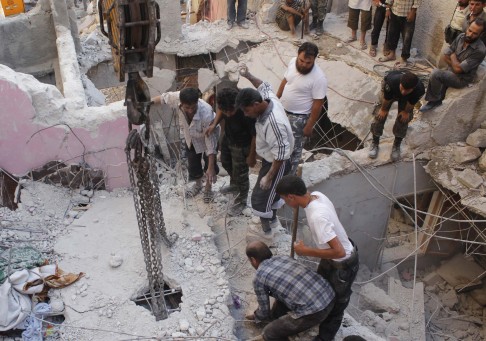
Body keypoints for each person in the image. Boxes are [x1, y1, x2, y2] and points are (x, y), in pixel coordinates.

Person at [276, 175, 359, 341]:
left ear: (292, 196)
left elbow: (339, 252)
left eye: (284, 199)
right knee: (320, 290)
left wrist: (305, 251)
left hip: (343, 266)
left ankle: (324, 337)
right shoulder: (318, 196)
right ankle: (315, 318)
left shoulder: (317, 217)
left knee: (336, 305)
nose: (285, 203)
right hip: (333, 260)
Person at [236, 67, 294, 235]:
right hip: (271, 159)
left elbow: (281, 154)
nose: (246, 115)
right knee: (271, 195)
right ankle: (273, 221)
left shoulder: (274, 123)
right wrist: (248, 75)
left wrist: (269, 177)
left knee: (260, 198)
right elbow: (263, 85)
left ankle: (266, 233)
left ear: (255, 105)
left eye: (247, 111)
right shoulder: (268, 98)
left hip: (278, 163)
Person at [245, 241, 336, 341]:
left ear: (253, 260)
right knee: (280, 301)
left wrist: (256, 316)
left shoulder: (259, 277)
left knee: (269, 332)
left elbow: (264, 312)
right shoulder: (284, 258)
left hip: (315, 311)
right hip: (330, 295)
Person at [153, 88, 219, 202]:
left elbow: (210, 144)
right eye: (186, 108)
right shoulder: (176, 97)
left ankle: (208, 188)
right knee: (193, 162)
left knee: (209, 164)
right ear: (181, 102)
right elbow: (163, 98)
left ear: (197, 102)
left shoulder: (206, 113)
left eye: (193, 107)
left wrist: (211, 166)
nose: (190, 110)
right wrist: (145, 103)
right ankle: (198, 184)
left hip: (209, 135)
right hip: (191, 135)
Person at [276, 42, 327, 175]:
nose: (303, 64)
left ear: (314, 60)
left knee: (294, 150)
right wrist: (275, 99)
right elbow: (285, 80)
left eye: (308, 62)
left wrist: (309, 125)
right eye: (302, 60)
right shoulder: (293, 62)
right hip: (283, 112)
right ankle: (277, 171)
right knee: (280, 144)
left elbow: (318, 103)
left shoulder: (319, 78)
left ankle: (289, 178)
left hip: (299, 118)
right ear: (297, 55)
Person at [206, 87, 257, 216]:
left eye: (231, 111)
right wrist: (214, 124)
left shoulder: (247, 112)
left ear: (237, 105)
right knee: (225, 163)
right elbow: (221, 111)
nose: (228, 114)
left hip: (242, 144)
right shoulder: (225, 105)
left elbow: (255, 135)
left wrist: (252, 155)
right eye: (225, 111)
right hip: (228, 138)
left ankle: (241, 202)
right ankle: (234, 185)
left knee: (241, 174)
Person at [420, 19, 486, 112]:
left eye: (475, 33)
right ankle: (439, 97)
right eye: (470, 30)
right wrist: (455, 64)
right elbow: (445, 55)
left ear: (481, 34)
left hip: (462, 79)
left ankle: (434, 101)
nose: (470, 35)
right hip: (450, 70)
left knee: (436, 73)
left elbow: (459, 70)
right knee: (439, 76)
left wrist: (453, 57)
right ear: (467, 27)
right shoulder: (461, 37)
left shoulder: (480, 50)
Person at [368, 71, 425, 161]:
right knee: (379, 115)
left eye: (407, 90)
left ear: (413, 88)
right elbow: (387, 98)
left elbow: (411, 103)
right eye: (402, 88)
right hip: (391, 91)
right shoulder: (392, 82)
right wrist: (383, 110)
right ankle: (375, 141)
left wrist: (406, 112)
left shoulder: (419, 90)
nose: (403, 92)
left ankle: (397, 144)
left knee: (403, 119)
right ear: (400, 83)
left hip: (408, 98)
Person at [379, 0, 422, 64]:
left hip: (407, 14)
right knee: (392, 34)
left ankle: (404, 59)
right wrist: (388, 9)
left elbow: (417, 1)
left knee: (407, 37)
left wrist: (413, 12)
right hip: (395, 11)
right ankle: (392, 54)